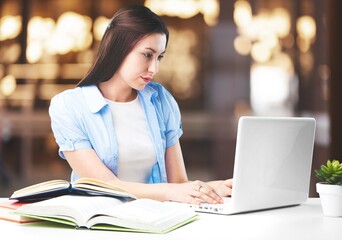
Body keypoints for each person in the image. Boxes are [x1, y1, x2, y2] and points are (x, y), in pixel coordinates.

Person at [49, 5, 232, 205]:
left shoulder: (160, 100)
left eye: (159, 57)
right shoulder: (68, 106)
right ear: (118, 49)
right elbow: (103, 185)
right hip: (99, 222)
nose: (154, 68)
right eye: (147, 55)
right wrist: (172, 191)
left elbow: (178, 184)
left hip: (154, 221)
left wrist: (214, 188)